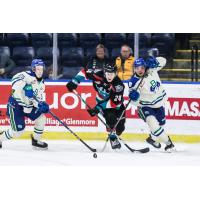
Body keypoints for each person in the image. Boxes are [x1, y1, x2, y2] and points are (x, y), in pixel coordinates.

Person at [66, 64, 125, 149]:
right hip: (103, 103)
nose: (109, 76)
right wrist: (75, 81)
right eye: (108, 73)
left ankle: (116, 132)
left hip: (117, 106)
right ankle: (113, 138)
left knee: (120, 128)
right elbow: (84, 72)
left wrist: (97, 108)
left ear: (115, 73)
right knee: (110, 118)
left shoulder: (118, 85)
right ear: (104, 73)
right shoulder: (98, 74)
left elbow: (114, 103)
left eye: (112, 74)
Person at [128, 57, 175, 152]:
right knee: (153, 124)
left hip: (159, 104)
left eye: (141, 67)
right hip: (145, 106)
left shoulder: (152, 69)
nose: (139, 70)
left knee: (161, 124)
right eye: (137, 68)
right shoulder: (133, 82)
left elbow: (164, 61)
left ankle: (152, 139)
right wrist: (134, 97)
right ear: (134, 69)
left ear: (145, 67)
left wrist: (155, 61)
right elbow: (133, 101)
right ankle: (169, 144)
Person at [0, 59, 49, 149]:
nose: (40, 71)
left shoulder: (42, 83)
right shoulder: (24, 75)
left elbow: (37, 99)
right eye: (37, 69)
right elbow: (15, 90)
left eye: (41, 69)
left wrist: (41, 105)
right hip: (16, 105)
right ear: (33, 69)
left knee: (41, 118)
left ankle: (36, 140)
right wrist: (24, 87)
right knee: (18, 131)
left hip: (29, 106)